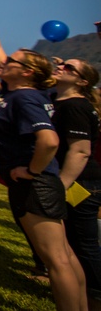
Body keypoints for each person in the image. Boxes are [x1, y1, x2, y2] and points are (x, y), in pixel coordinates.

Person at [0, 0, 88, 310]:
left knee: (57, 259)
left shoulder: (26, 99)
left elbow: (49, 141)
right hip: (33, 183)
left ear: (28, 72)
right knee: (64, 254)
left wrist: (32, 171)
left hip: (35, 184)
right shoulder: (13, 91)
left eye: (11, 62)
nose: (3, 62)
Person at [52, 58, 101, 303]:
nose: (62, 67)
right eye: (62, 64)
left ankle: (95, 293)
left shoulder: (75, 106)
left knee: (84, 243)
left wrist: (60, 186)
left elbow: (80, 151)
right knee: (70, 241)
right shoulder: (59, 100)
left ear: (82, 82)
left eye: (70, 68)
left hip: (81, 183)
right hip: (74, 181)